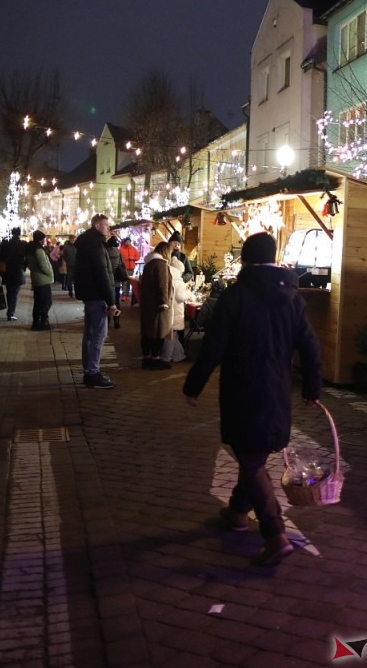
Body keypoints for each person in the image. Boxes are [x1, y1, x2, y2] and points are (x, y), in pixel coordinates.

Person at [183, 232, 322, 566]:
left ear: (244, 259)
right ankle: (237, 511)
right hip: (277, 388)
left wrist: (194, 384)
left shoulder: (236, 296)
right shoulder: (293, 297)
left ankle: (275, 534)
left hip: (242, 387)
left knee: (250, 457)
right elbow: (309, 344)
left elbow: (214, 345)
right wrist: (311, 387)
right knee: (254, 452)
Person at [72, 214, 117, 389]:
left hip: (89, 295)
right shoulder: (96, 245)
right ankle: (92, 372)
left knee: (90, 334)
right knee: (99, 335)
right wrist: (111, 301)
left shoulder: (86, 242)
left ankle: (89, 370)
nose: (108, 229)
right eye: (106, 225)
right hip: (97, 296)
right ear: (97, 226)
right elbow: (102, 274)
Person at [139, 241, 173, 370]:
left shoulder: (149, 263)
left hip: (148, 303)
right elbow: (163, 284)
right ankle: (155, 358)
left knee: (147, 331)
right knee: (158, 331)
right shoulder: (161, 264)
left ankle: (146, 358)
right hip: (157, 304)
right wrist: (164, 302)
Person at [0, 227, 28, 321]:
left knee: (9, 291)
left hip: (7, 271)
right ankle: (10, 313)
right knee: (15, 292)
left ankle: (10, 311)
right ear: (19, 233)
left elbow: (0, 257)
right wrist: (23, 267)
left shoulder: (6, 244)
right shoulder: (23, 244)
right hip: (17, 271)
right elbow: (27, 258)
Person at [27, 229, 54, 330]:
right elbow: (43, 265)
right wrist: (50, 273)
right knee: (46, 302)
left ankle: (36, 323)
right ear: (40, 239)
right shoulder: (38, 250)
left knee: (38, 302)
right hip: (43, 279)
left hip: (37, 279)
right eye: (43, 239)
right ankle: (43, 322)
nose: (44, 240)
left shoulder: (31, 249)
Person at [165, 254, 190, 362]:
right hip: (176, 312)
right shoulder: (179, 282)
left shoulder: (168, 277)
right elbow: (181, 297)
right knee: (171, 337)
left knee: (173, 337)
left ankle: (179, 356)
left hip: (170, 311)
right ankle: (166, 358)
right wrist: (188, 293)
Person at [107, 236, 127, 329]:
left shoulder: (105, 253)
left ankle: (107, 321)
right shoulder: (119, 253)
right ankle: (116, 321)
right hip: (117, 281)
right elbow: (123, 264)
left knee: (107, 301)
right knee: (116, 302)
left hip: (107, 281)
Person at [119, 237, 141, 304]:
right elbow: (119, 258)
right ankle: (123, 296)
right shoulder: (121, 249)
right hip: (124, 268)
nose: (128, 243)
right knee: (124, 282)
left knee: (129, 282)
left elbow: (138, 257)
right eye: (126, 241)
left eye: (129, 241)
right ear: (124, 242)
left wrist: (133, 258)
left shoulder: (133, 249)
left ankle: (127, 296)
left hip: (131, 268)